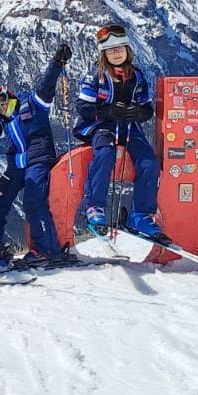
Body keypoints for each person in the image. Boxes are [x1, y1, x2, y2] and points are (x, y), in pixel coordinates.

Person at [0, 41, 76, 267]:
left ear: (7, 94)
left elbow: (47, 85)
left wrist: (57, 62)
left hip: (38, 161)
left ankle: (47, 250)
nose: (0, 107)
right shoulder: (3, 120)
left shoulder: (32, 104)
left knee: (34, 201)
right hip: (16, 166)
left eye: (0, 101)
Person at [73, 24, 169, 243]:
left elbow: (146, 108)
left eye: (120, 48)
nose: (116, 53)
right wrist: (104, 111)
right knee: (105, 154)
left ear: (127, 49)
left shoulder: (136, 76)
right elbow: (83, 106)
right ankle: (95, 206)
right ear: (104, 54)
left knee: (149, 163)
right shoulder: (96, 76)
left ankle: (140, 214)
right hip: (102, 126)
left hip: (129, 127)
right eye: (110, 50)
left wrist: (139, 113)